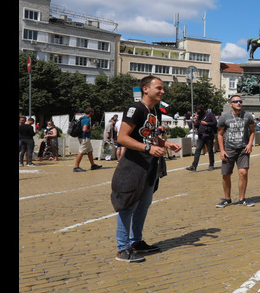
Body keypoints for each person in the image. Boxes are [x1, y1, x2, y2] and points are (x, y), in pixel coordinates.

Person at [111, 75, 182, 263]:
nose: (162, 91)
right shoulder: (136, 109)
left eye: (162, 88)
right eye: (158, 88)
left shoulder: (155, 111)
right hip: (134, 165)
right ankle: (122, 248)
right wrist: (148, 148)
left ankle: (136, 242)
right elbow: (122, 138)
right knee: (128, 206)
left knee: (143, 205)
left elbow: (149, 136)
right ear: (145, 89)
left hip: (150, 165)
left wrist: (167, 144)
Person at [216, 95, 256, 208]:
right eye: (236, 101)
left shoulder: (247, 116)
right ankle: (227, 199)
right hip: (229, 149)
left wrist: (250, 144)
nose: (239, 103)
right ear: (231, 104)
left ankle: (242, 199)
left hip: (243, 149)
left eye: (240, 101)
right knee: (226, 174)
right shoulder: (225, 117)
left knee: (243, 173)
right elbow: (219, 134)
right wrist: (222, 150)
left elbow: (253, 131)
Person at [187, 106, 218, 171]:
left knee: (210, 151)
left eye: (198, 111)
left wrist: (206, 123)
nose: (198, 113)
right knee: (197, 150)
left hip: (209, 135)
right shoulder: (199, 116)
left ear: (202, 110)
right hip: (201, 136)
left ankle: (211, 165)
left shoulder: (209, 114)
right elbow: (198, 124)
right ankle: (194, 166)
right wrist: (195, 123)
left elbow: (215, 122)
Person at [74, 108, 102, 172]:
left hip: (82, 137)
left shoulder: (82, 118)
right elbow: (84, 129)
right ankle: (76, 167)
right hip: (85, 138)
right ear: (90, 112)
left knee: (90, 151)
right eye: (93, 112)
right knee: (81, 152)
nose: (93, 113)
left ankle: (93, 165)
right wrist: (91, 129)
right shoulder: (87, 119)